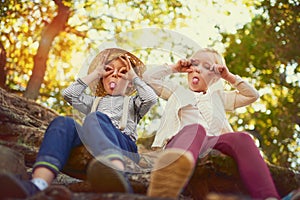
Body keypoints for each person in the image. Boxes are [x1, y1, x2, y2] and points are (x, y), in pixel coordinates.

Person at [0, 48, 157, 199]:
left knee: (95, 118)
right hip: (93, 140)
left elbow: (150, 98)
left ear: (129, 83)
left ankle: (116, 171)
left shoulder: (133, 103)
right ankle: (38, 184)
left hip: (122, 144)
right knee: (63, 122)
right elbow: (69, 94)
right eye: (109, 70)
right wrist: (96, 73)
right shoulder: (94, 102)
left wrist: (134, 77)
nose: (115, 74)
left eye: (122, 72)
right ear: (102, 79)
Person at [143, 48, 281, 200]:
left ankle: (268, 196)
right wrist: (174, 68)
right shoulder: (176, 92)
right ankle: (168, 184)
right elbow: (148, 77)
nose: (198, 69)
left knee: (242, 138)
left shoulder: (219, 98)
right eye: (194, 64)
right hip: (184, 142)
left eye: (207, 67)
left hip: (214, 142)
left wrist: (228, 77)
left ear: (215, 78)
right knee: (196, 129)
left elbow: (252, 95)